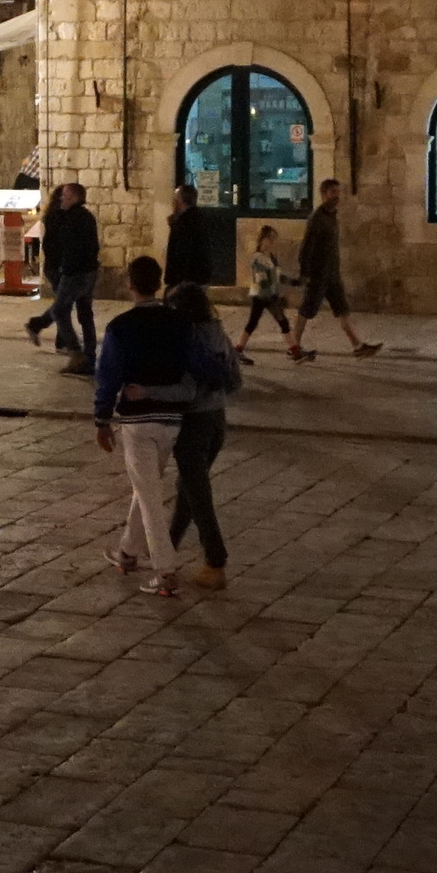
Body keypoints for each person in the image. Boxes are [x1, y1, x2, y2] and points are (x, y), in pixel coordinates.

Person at [92, 256, 231, 597]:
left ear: (130, 285)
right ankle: (126, 552)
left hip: (138, 422)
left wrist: (101, 419)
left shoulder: (120, 327)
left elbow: (107, 377)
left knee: (150, 498)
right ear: (158, 283)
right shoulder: (180, 323)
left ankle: (165, 572)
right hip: (171, 423)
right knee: (147, 488)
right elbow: (202, 366)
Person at [165, 277, 237, 581]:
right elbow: (236, 381)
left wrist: (150, 395)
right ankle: (167, 547)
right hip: (217, 418)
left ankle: (215, 559)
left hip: (193, 422)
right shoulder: (218, 334)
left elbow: (185, 390)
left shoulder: (184, 337)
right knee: (190, 488)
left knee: (198, 493)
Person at [292, 180, 381, 360]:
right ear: (324, 194)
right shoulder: (317, 219)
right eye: (333, 192)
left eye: (338, 192)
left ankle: (358, 346)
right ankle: (294, 347)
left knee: (342, 310)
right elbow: (306, 248)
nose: (337, 196)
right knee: (306, 311)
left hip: (332, 274)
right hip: (318, 275)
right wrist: (305, 274)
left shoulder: (332, 216)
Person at [26, 181, 100, 368]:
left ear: (75, 198)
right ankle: (88, 353)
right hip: (87, 271)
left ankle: (76, 353)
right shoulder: (85, 216)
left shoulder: (72, 219)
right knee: (83, 312)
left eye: (65, 196)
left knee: (61, 308)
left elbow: (68, 249)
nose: (61, 199)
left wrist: (65, 269)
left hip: (74, 273)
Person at [237, 225, 296, 348]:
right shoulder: (258, 258)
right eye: (270, 238)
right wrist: (274, 296)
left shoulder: (271, 258)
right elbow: (261, 280)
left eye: (274, 238)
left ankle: (295, 351)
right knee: (254, 323)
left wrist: (294, 282)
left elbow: (277, 275)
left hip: (269, 295)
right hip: (261, 295)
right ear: (262, 239)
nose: (272, 242)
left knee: (280, 322)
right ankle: (238, 350)